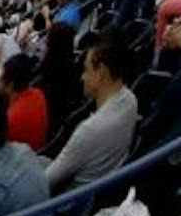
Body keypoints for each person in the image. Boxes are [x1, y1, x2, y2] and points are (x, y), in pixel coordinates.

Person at [43, 35, 136, 192]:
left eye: (86, 70)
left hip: (68, 205)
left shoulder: (89, 130)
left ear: (101, 72)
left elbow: (45, 181)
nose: (82, 77)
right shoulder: (130, 100)